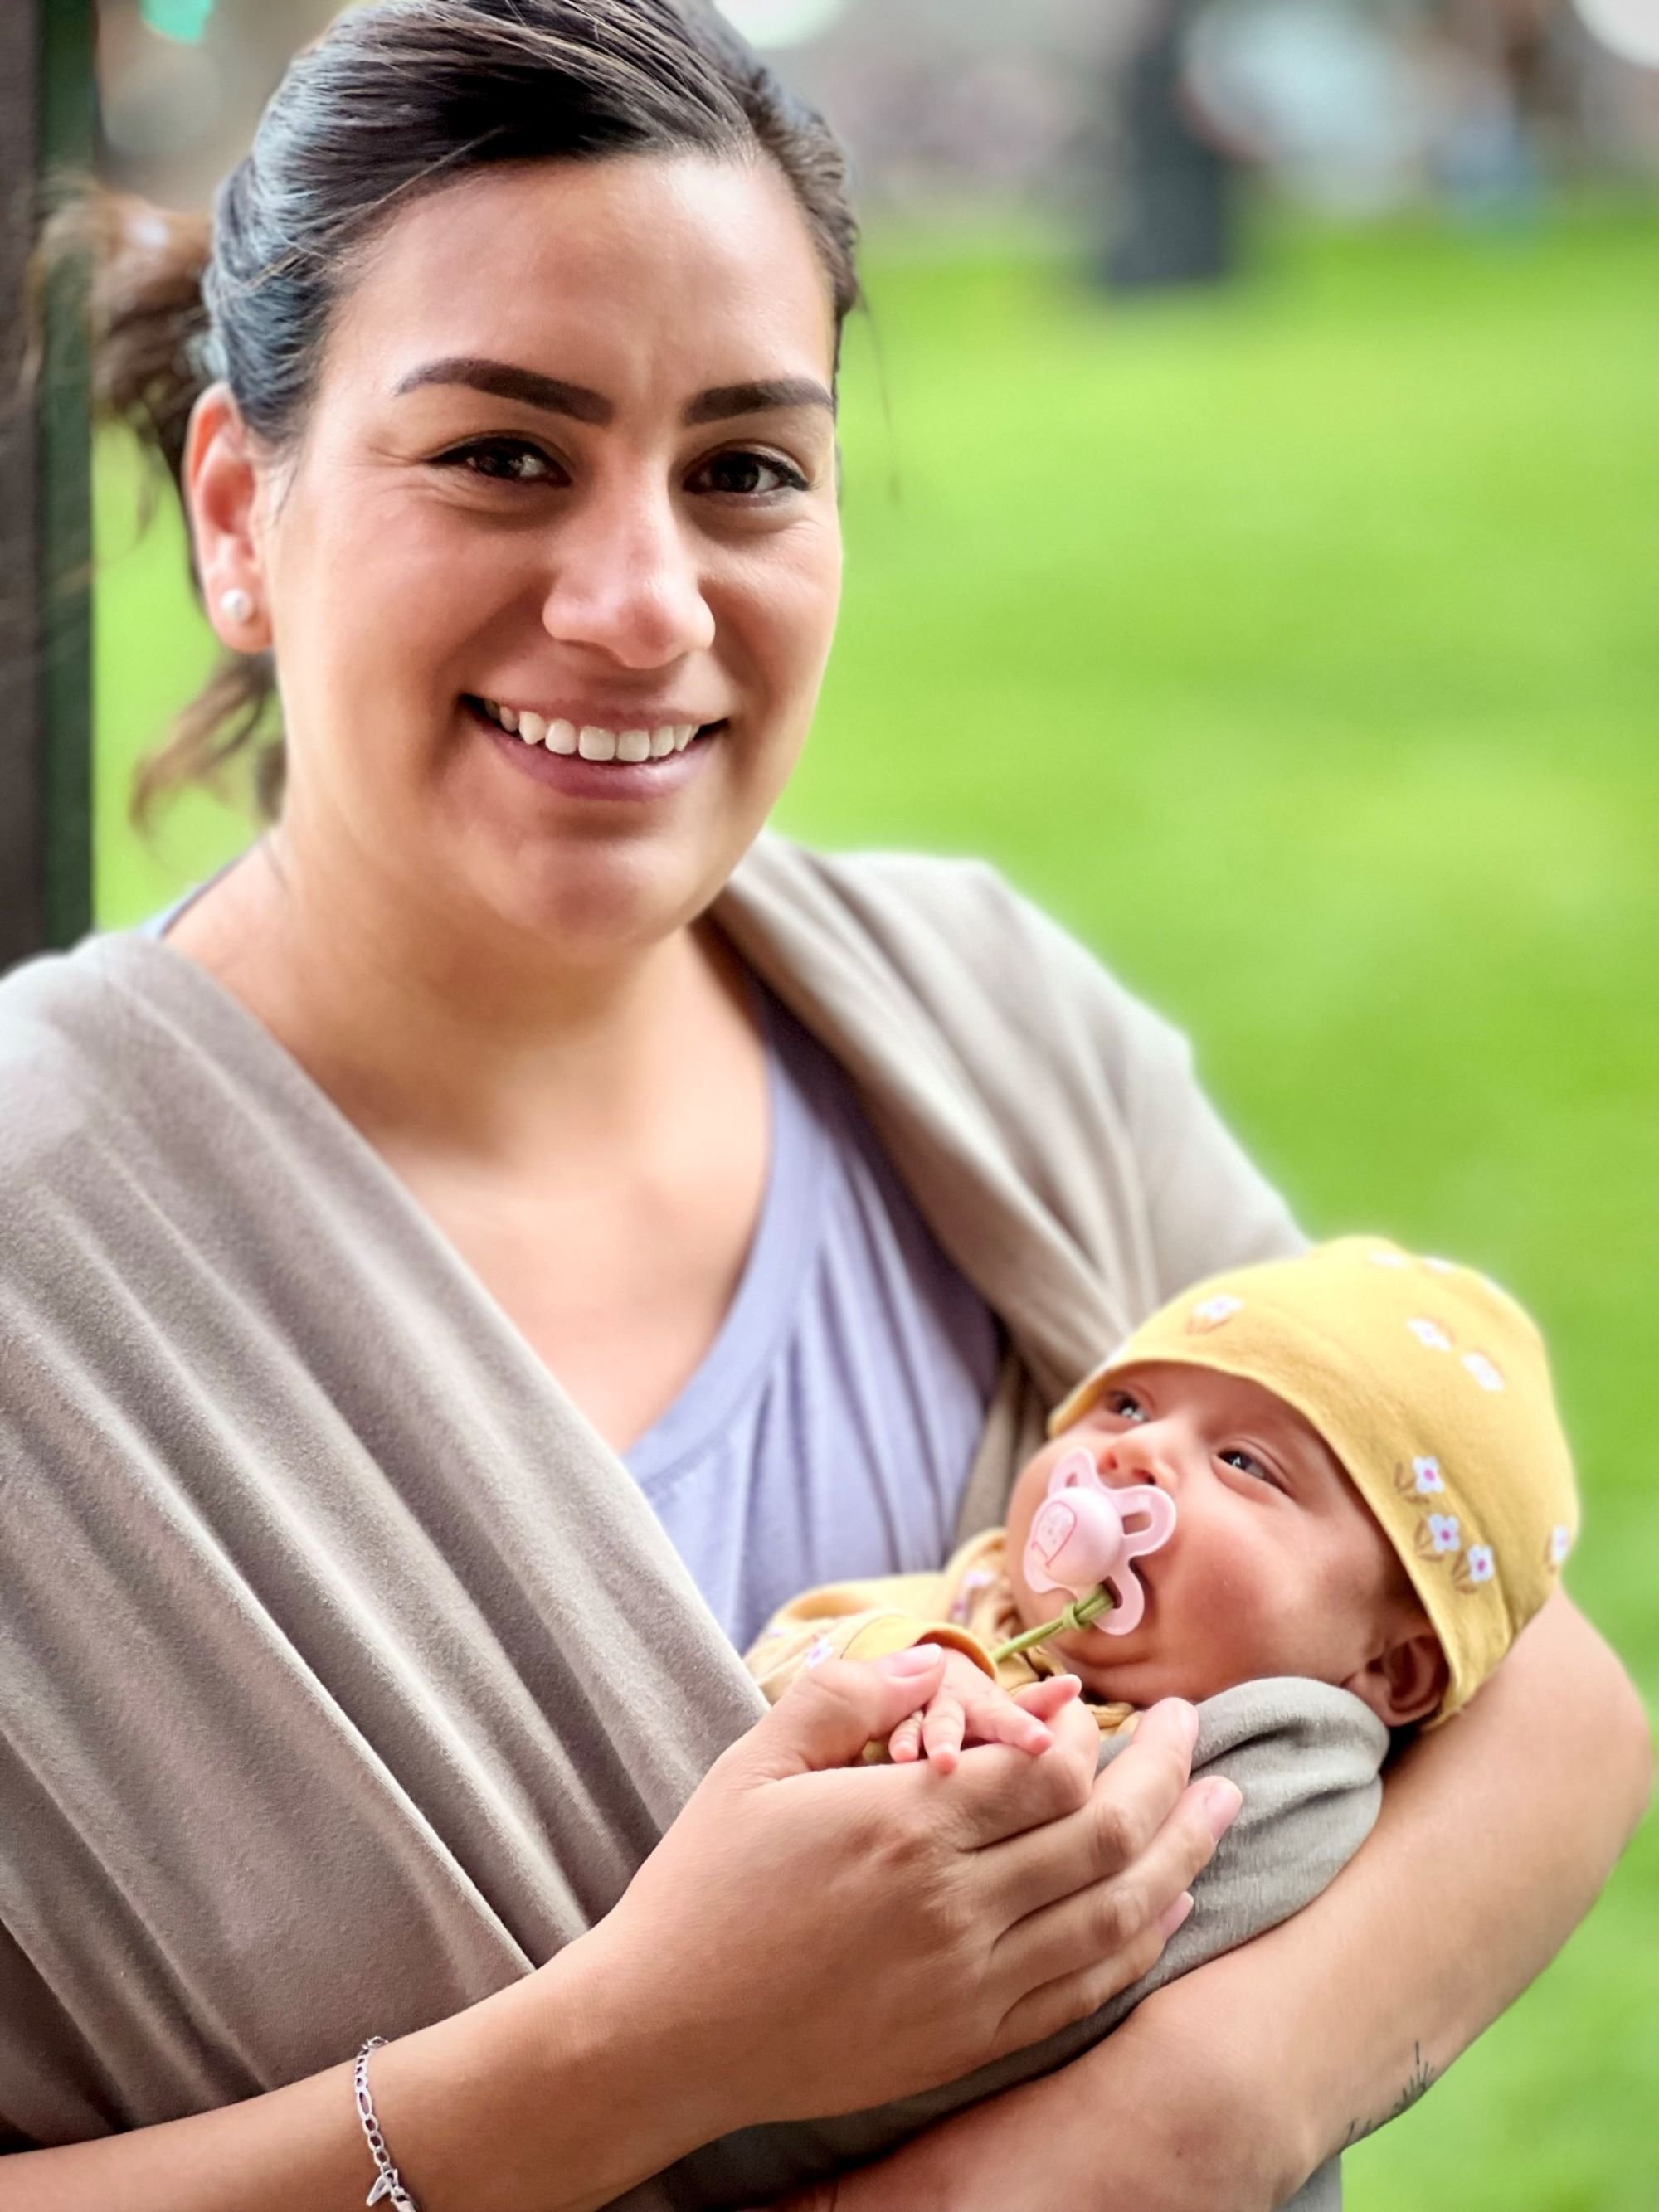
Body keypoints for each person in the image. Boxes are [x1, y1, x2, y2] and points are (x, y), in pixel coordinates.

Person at [0, 6, 1645, 2211]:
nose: (642, 603)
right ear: (237, 512)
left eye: (745, 469)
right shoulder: (42, 1249)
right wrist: (637, 2047)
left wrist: (1154, 2132)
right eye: (504, 453)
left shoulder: (979, 1022)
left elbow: (1543, 1697)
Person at [748, 1237, 1576, 1757]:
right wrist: (912, 1672)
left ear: (1392, 1667)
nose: (1137, 1449)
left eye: (1243, 1463)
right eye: (1126, 1405)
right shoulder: (974, 1609)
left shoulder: (1285, 1784)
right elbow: (779, 1658)